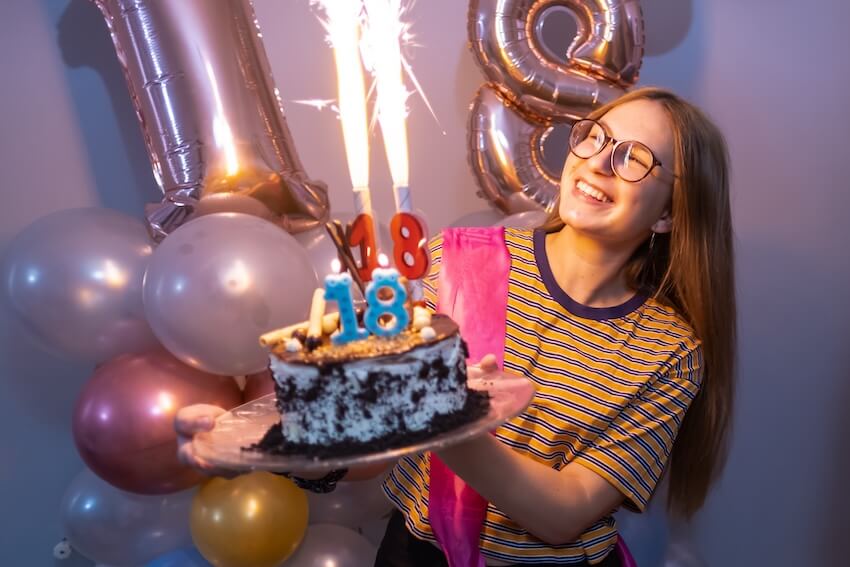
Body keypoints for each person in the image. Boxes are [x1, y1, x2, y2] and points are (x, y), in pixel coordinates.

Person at [177, 87, 736, 566]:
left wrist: (450, 419)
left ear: (668, 212)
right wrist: (259, 441)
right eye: (596, 137)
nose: (597, 161)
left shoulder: (669, 350)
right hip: (415, 554)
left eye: (634, 157)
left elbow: (563, 514)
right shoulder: (457, 262)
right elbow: (374, 438)